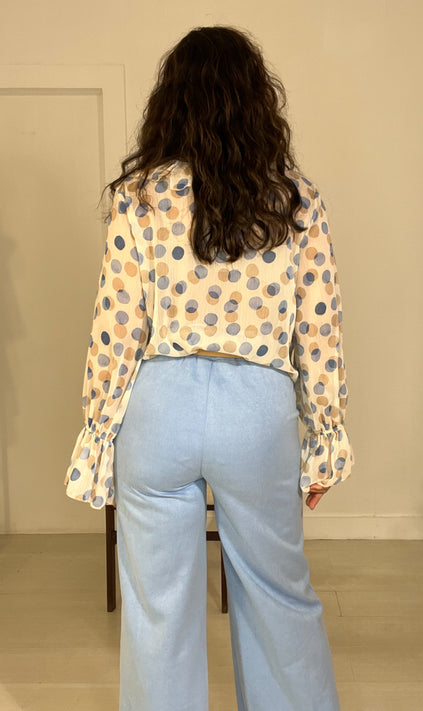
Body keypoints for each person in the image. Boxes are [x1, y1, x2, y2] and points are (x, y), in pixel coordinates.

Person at [64, 24, 354, 711]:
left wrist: (99, 437)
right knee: (279, 594)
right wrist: (324, 440)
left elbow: (116, 327)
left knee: (157, 608)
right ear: (258, 101)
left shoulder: (141, 196)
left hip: (158, 405)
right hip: (257, 411)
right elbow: (318, 329)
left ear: (172, 102)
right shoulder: (295, 198)